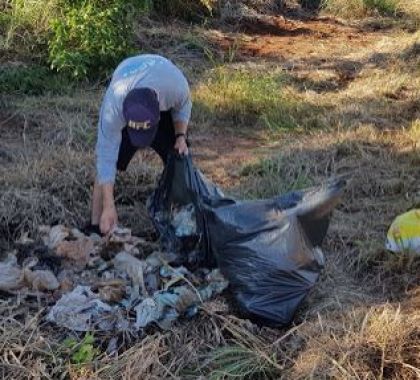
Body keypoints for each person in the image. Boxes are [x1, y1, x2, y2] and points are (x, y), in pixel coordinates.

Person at [87, 54, 192, 236]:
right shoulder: (114, 108)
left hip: (161, 82)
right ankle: (97, 225)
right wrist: (109, 206)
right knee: (105, 166)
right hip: (128, 84)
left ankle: (182, 222)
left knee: (179, 158)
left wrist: (180, 136)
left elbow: (184, 105)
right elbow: (105, 158)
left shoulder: (175, 87)